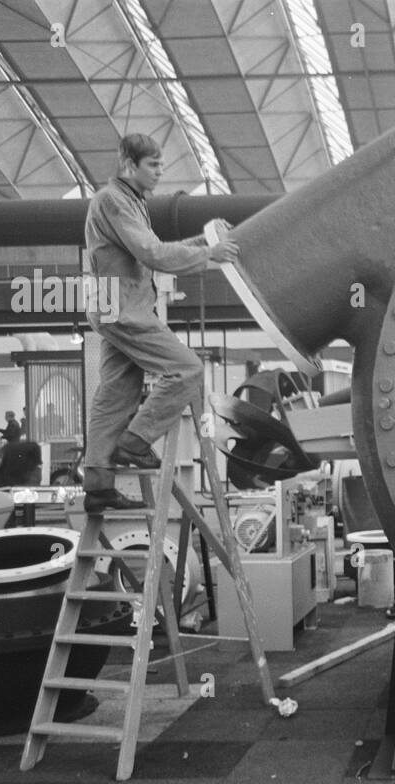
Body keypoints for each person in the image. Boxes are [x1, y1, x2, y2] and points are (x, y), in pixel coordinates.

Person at [81, 133, 239, 513]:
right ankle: (135, 443)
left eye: (161, 164)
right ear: (128, 164)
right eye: (152, 165)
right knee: (187, 368)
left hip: (114, 306)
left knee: (117, 392)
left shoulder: (130, 202)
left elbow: (154, 248)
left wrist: (205, 244)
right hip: (123, 307)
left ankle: (98, 485)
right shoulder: (114, 201)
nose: (159, 172)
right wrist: (208, 256)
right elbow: (152, 253)